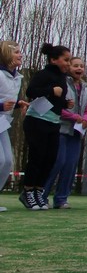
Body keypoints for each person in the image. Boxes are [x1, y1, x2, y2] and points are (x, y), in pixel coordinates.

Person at [20, 43, 70, 210]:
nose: (68, 64)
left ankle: (39, 191)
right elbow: (31, 91)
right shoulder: (44, 74)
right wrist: (50, 90)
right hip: (37, 121)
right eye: (65, 60)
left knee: (50, 158)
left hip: (53, 122)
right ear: (53, 60)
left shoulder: (63, 78)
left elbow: (55, 100)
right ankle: (28, 191)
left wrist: (65, 103)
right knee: (37, 157)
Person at [44, 55, 87, 210]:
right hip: (61, 129)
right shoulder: (62, 84)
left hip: (76, 133)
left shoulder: (86, 91)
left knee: (70, 165)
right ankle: (41, 195)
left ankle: (61, 198)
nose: (79, 69)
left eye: (81, 66)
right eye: (75, 65)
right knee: (57, 162)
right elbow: (55, 106)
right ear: (68, 67)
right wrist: (73, 117)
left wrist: (86, 119)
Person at [0, 41, 29, 212]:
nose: (20, 55)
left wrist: (19, 104)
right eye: (16, 52)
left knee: (7, 161)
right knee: (1, 159)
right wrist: (1, 106)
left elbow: (8, 98)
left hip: (3, 123)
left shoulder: (17, 77)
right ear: (6, 54)